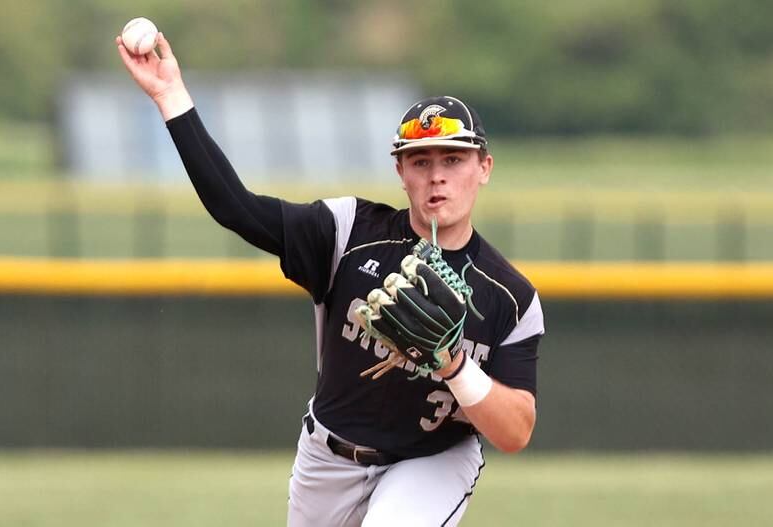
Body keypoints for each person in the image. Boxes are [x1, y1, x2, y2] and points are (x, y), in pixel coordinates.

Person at [116, 32, 545, 527]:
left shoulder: (510, 297)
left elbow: (515, 432)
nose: (437, 177)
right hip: (328, 458)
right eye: (421, 161)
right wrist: (171, 96)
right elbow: (237, 208)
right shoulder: (347, 232)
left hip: (432, 462)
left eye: (453, 159)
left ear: (483, 167)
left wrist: (451, 363)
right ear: (400, 171)